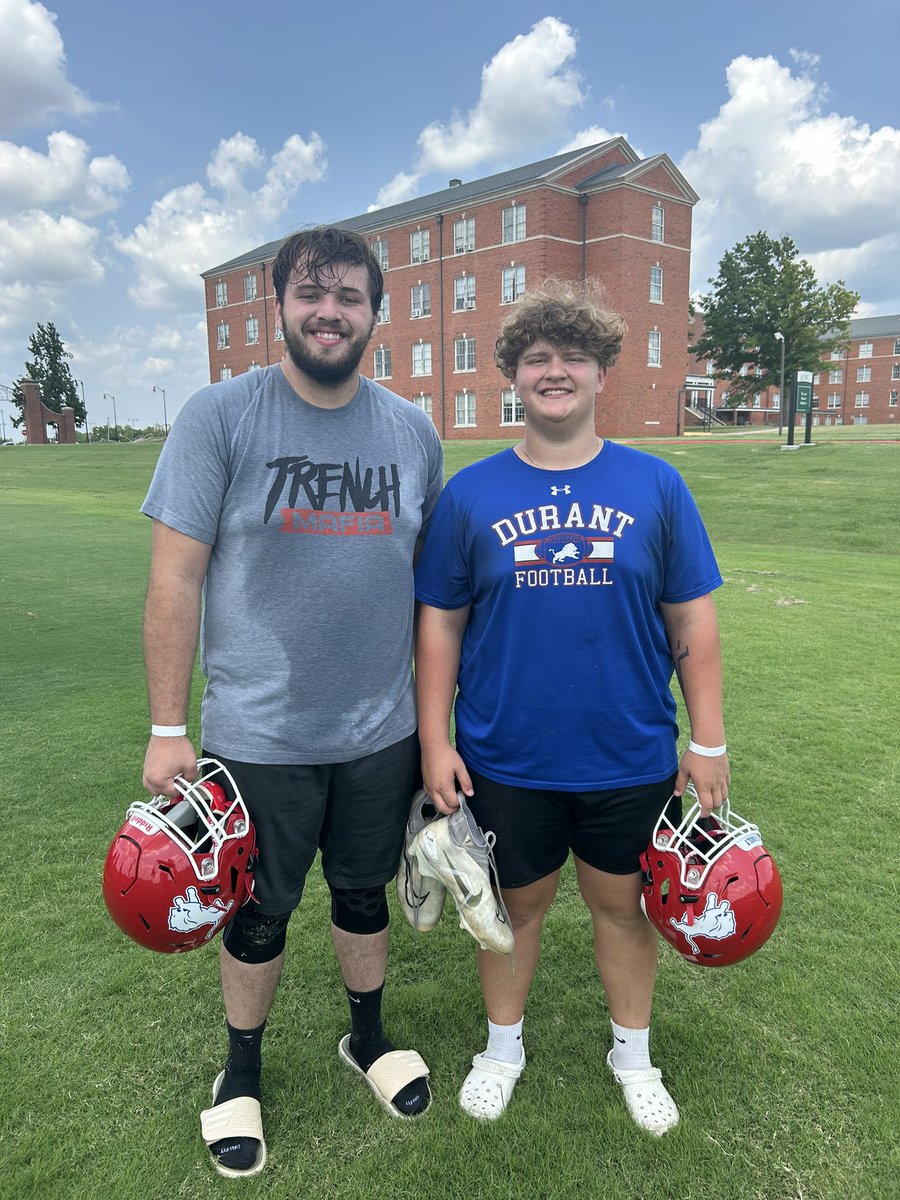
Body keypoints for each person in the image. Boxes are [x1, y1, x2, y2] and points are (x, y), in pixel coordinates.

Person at [141, 226, 443, 1177]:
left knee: (361, 894)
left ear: (375, 314)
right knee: (259, 909)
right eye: (312, 294)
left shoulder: (413, 431)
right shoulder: (219, 416)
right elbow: (175, 580)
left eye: (350, 297)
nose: (330, 312)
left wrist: (439, 729)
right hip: (259, 731)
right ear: (278, 305)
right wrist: (166, 730)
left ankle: (368, 1037)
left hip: (379, 728)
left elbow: (436, 595)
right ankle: (239, 1076)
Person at [413, 279, 728, 1135]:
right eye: (538, 358)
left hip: (625, 752)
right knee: (511, 911)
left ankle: (633, 1054)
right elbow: (439, 626)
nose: (555, 372)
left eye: (573, 357)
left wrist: (708, 739)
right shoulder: (471, 496)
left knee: (625, 910)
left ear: (601, 372)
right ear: (513, 374)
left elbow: (691, 616)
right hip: (504, 754)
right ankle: (501, 1048)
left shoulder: (655, 485)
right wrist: (434, 740)